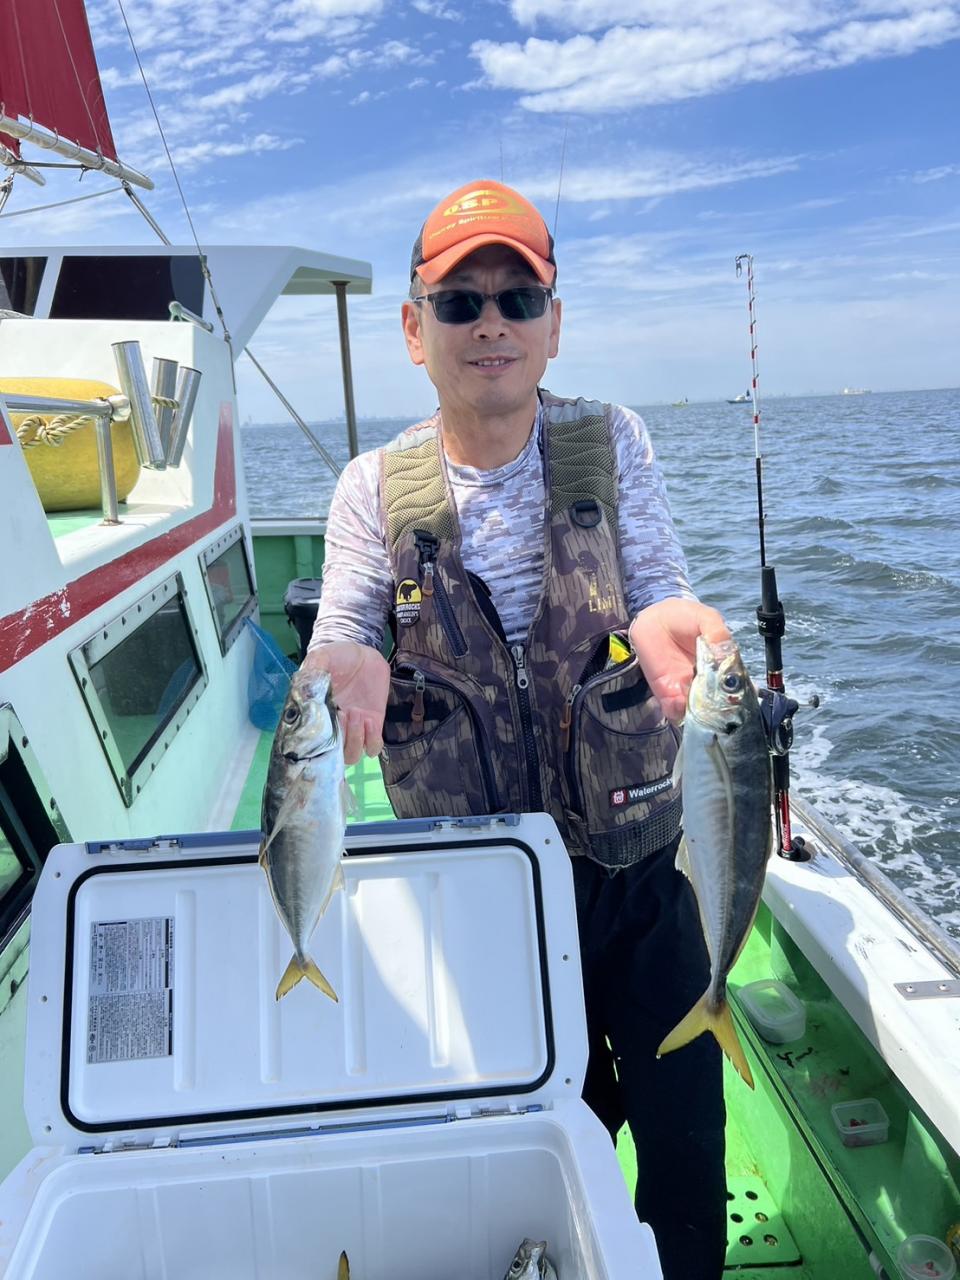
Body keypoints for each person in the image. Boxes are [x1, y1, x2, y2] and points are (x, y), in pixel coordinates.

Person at [305, 179, 731, 1279]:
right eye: (460, 302)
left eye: (517, 296)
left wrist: (668, 617)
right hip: (481, 896)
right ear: (416, 330)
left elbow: (656, 581)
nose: (490, 322)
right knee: (531, 1139)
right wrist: (343, 656)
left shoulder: (612, 440)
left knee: (686, 1136)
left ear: (553, 322)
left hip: (638, 874)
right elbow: (346, 621)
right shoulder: (370, 489)